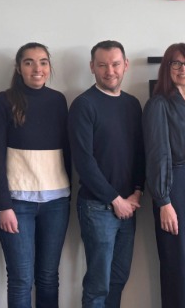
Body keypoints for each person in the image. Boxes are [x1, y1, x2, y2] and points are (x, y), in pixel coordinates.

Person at [0, 42, 71, 307]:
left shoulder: (58, 101)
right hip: (17, 204)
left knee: (48, 277)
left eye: (43, 62)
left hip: (56, 203)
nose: (37, 68)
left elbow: (67, 152)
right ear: (18, 67)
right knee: (21, 279)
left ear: (49, 67)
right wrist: (2, 206)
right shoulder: (4, 101)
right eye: (29, 62)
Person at [68, 40, 145, 308]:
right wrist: (116, 200)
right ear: (92, 67)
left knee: (118, 278)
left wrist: (137, 191)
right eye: (102, 65)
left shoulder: (133, 104)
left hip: (129, 206)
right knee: (98, 284)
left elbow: (139, 152)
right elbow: (84, 161)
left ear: (125, 65)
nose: (109, 71)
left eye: (114, 64)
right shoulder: (84, 104)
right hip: (98, 207)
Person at [143, 43, 185, 308]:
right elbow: (157, 153)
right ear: (166, 69)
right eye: (177, 64)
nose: (184, 69)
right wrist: (164, 202)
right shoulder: (158, 104)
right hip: (174, 186)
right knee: (178, 264)